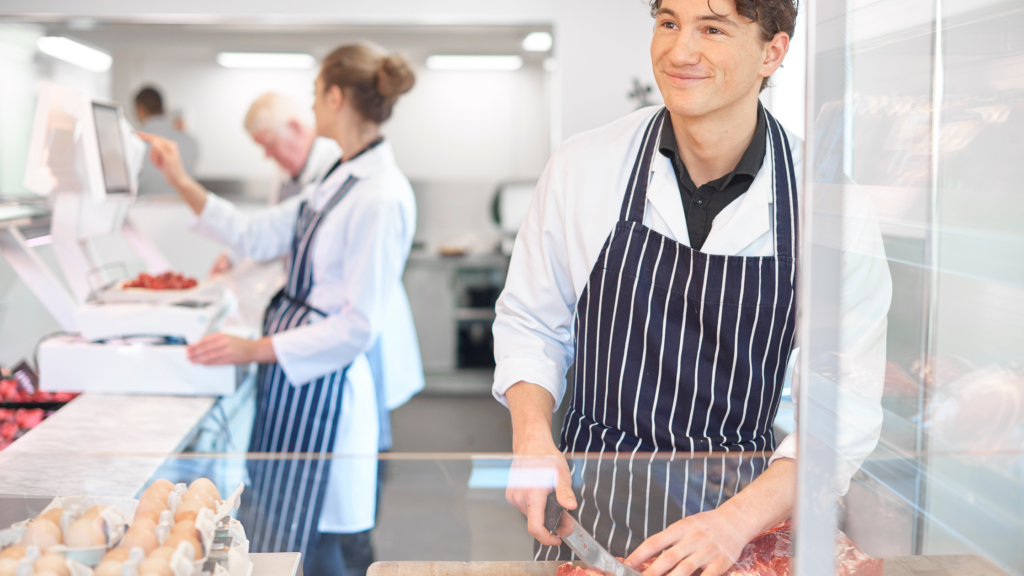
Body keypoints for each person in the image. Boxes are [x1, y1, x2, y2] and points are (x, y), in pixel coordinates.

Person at [493, 1, 891, 575]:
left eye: (713, 29)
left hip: (740, 517)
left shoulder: (833, 207)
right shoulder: (584, 166)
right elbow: (531, 321)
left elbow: (843, 408)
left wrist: (734, 523)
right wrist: (532, 438)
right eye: (669, 23)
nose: (680, 51)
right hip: (592, 507)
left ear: (772, 52)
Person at [138, 44, 421, 576]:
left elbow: (357, 328)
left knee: (323, 550)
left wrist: (255, 348)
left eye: (315, 94)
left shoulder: (379, 195)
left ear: (335, 97)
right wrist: (179, 178)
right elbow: (255, 232)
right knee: (289, 544)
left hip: (328, 393)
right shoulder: (340, 178)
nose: (312, 107)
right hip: (300, 385)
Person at [134, 86, 199, 196]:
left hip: (143, 209)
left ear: (140, 109)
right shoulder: (191, 142)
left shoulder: (134, 142)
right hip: (185, 208)